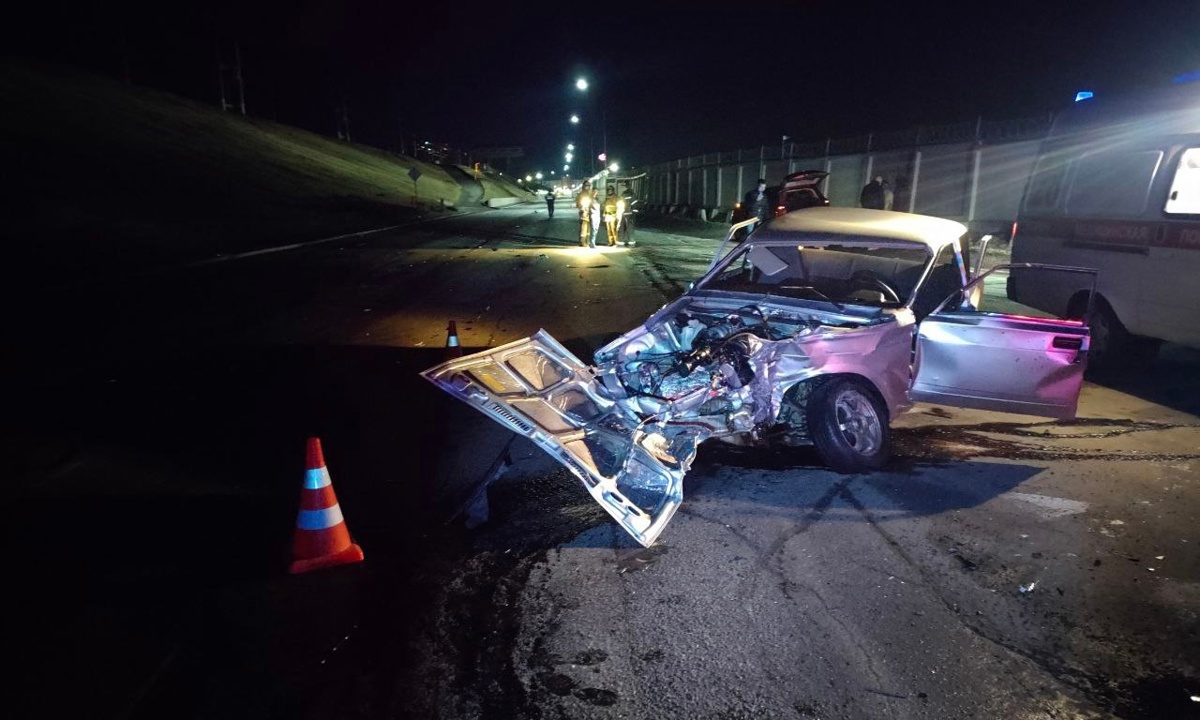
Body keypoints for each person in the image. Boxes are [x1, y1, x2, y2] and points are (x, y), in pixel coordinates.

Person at [575, 181, 595, 247]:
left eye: (588, 185)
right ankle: (582, 241)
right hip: (583, 213)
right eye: (586, 185)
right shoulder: (581, 194)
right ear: (583, 186)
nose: (587, 187)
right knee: (583, 228)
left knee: (589, 229)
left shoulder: (590, 194)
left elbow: (593, 202)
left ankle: (588, 241)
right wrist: (581, 207)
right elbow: (577, 203)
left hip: (590, 213)